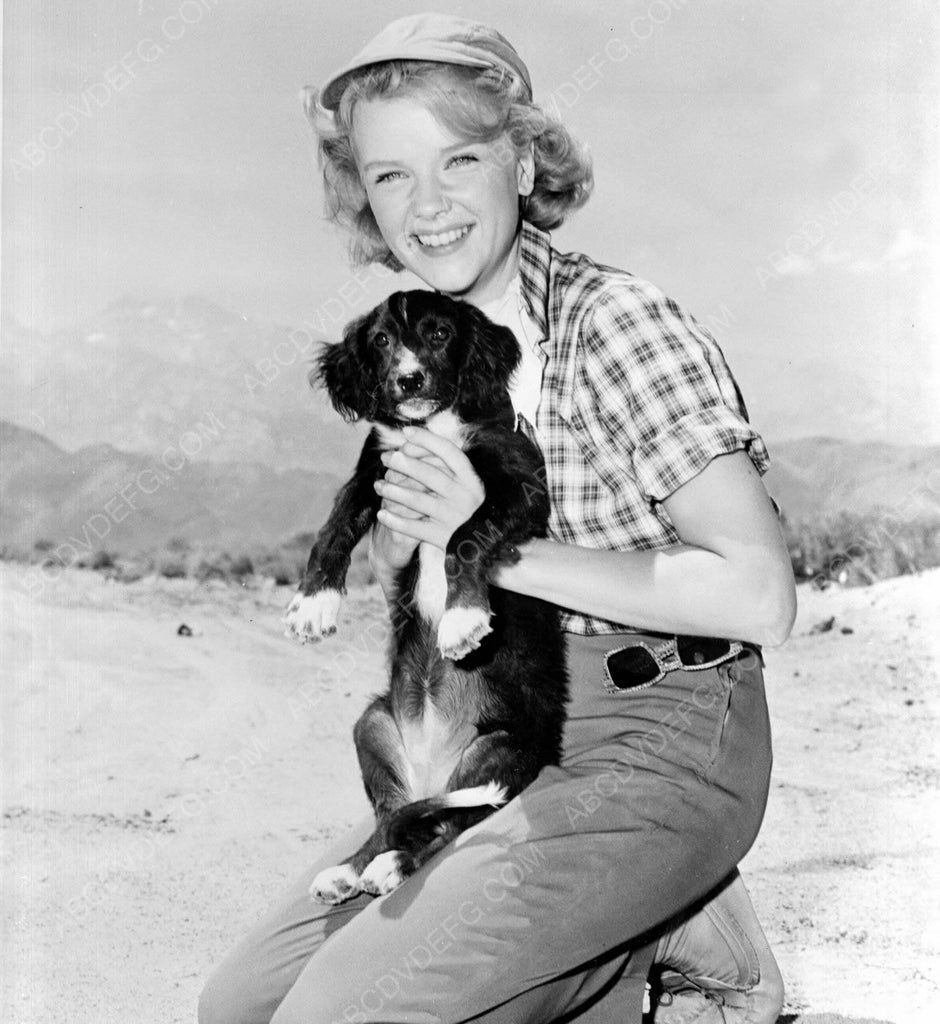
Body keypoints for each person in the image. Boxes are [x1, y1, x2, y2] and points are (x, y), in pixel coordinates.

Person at [200, 14, 795, 1024]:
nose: (426, 205)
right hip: (509, 730)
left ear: (521, 163)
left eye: (460, 160)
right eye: (390, 175)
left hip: (659, 731)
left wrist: (494, 544)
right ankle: (639, 936)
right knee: (239, 1008)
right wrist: (405, 532)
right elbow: (403, 568)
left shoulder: (614, 326)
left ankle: (655, 893)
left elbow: (759, 594)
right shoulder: (413, 356)